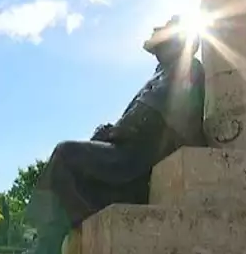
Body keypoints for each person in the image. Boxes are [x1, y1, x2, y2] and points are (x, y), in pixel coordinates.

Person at [26, 15, 207, 254]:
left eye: (163, 34)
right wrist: (110, 132)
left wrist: (114, 133)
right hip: (128, 151)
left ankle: (48, 243)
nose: (156, 34)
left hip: (139, 159)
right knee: (72, 164)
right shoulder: (161, 72)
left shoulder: (188, 68)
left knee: (66, 153)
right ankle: (51, 236)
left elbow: (154, 118)